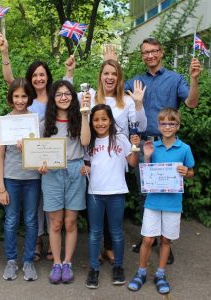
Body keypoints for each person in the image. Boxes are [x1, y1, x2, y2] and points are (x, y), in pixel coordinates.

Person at [123, 37, 201, 263]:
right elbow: (116, 100)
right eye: (146, 52)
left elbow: (192, 103)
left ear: (161, 52)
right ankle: (149, 237)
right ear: (141, 55)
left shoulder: (175, 79)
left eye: (154, 51)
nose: (150, 55)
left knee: (167, 191)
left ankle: (166, 241)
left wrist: (195, 80)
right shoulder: (134, 82)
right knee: (144, 193)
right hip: (143, 144)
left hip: (166, 144)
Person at [0, 34, 74, 261]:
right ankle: (38, 242)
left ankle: (51, 243)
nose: (39, 78)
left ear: (47, 77)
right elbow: (10, 80)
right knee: (33, 211)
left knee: (47, 204)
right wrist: (4, 53)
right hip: (17, 168)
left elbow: (66, 92)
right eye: (35, 75)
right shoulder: (23, 99)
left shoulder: (54, 96)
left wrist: (69, 72)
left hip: (45, 160)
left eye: (42, 74)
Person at [67, 55, 147, 263]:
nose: (110, 77)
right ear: (100, 76)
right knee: (95, 207)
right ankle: (97, 251)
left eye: (114, 74)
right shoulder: (90, 95)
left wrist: (138, 105)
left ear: (119, 78)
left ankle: (109, 248)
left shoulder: (127, 101)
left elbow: (141, 126)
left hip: (117, 157)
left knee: (112, 203)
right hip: (91, 157)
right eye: (106, 73)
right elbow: (64, 98)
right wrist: (69, 73)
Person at [127, 108, 195, 294]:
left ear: (177, 126)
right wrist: (147, 156)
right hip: (153, 201)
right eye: (163, 123)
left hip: (173, 203)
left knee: (166, 240)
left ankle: (160, 273)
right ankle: (141, 272)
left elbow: (191, 172)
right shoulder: (151, 146)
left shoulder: (184, 148)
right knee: (148, 239)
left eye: (171, 123)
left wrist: (186, 172)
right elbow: (147, 174)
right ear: (158, 126)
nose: (167, 126)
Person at [81, 104, 139, 289]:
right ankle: (94, 268)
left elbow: (132, 163)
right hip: (95, 194)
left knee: (116, 232)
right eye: (96, 119)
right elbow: (86, 164)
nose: (100, 123)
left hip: (116, 192)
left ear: (111, 120)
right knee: (94, 233)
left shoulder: (120, 139)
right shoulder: (89, 141)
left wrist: (135, 146)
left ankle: (119, 267)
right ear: (92, 122)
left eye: (104, 119)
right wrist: (85, 168)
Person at [38, 80, 90, 284]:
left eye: (67, 93)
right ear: (53, 98)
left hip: (75, 171)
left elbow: (85, 142)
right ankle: (57, 263)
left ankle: (68, 262)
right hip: (52, 174)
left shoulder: (79, 118)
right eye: (59, 94)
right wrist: (39, 165)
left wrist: (85, 114)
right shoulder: (45, 123)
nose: (64, 97)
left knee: (70, 222)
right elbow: (38, 151)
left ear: (73, 97)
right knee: (56, 222)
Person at [0, 78, 40, 281]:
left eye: (23, 96)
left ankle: (29, 261)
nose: (20, 100)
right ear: (11, 98)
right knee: (11, 220)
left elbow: (40, 153)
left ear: (29, 97)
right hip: (11, 178)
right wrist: (0, 187)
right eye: (16, 96)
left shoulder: (34, 120)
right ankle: (11, 261)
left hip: (32, 178)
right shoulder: (4, 121)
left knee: (31, 220)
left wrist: (29, 148)